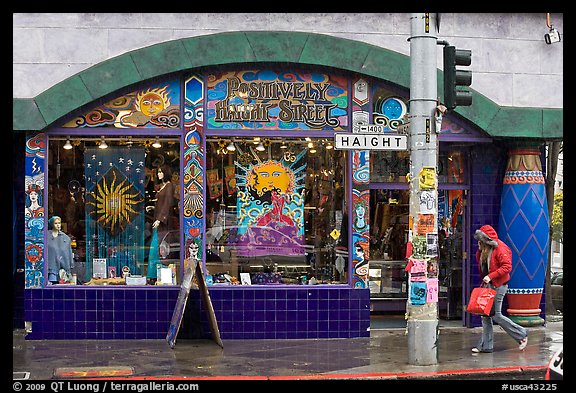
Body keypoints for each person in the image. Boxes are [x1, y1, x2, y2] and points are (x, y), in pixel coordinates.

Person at [472, 224, 528, 353]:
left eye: (480, 240)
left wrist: (490, 276)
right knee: (485, 316)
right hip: (490, 285)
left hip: (498, 285)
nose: (478, 242)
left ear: (486, 239)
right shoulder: (483, 250)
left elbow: (507, 267)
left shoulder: (500, 248)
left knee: (495, 315)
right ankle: (486, 346)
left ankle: (521, 334)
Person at [46, 216, 74, 284]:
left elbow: (68, 252)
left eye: (59, 223)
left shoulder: (65, 238)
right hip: (49, 268)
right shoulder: (46, 236)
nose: (58, 225)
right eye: (56, 223)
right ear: (52, 224)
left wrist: (69, 265)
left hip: (62, 270)